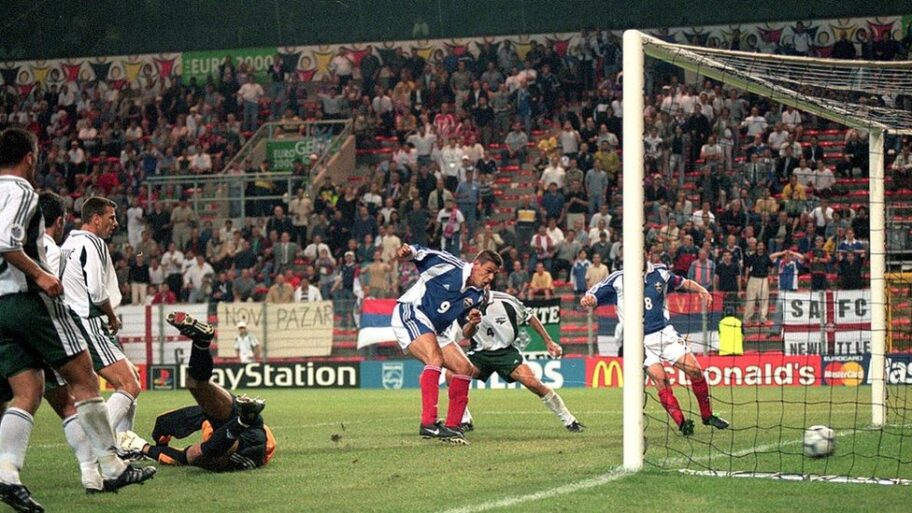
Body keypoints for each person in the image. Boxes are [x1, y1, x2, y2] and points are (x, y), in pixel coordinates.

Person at [0, 128, 154, 510]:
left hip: (0, 308)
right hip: (29, 302)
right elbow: (6, 241)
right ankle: (112, 464)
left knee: (27, 393)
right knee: (85, 380)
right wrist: (39, 274)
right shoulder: (20, 191)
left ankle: (7, 471)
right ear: (30, 156)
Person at [580, 251, 730, 436]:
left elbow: (683, 282)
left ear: (647, 254)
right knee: (661, 379)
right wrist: (588, 299)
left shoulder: (660, 273)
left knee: (695, 370)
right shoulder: (618, 278)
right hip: (639, 342)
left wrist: (701, 289)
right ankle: (682, 423)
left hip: (664, 334)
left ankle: (707, 416)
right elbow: (594, 294)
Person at [119, 312, 275, 471]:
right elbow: (175, 440)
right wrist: (149, 446)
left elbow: (180, 454)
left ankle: (243, 421)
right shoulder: (210, 428)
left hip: (248, 442)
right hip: (252, 433)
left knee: (198, 454)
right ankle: (201, 343)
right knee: (195, 383)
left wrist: (147, 446)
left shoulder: (212, 447)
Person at [393, 245, 502, 445]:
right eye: (488, 271)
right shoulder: (449, 266)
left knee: (465, 368)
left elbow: (467, 332)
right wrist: (407, 252)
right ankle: (428, 423)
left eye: (494, 274)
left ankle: (452, 426)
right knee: (435, 358)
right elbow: (419, 254)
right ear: (476, 264)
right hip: (412, 312)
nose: (490, 278)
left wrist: (472, 322)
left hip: (437, 329)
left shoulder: (480, 295)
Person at [60, 197, 143, 440]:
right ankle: (100, 443)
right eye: (111, 217)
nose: (115, 223)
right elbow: (96, 293)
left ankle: (123, 445)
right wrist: (112, 316)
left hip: (74, 321)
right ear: (96, 219)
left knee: (132, 379)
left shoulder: (69, 243)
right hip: (89, 321)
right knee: (129, 385)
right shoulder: (93, 243)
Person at [444, 291, 584, 432]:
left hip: (506, 353)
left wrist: (548, 342)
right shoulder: (462, 305)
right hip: (479, 354)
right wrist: (472, 323)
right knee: (451, 374)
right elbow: (466, 334)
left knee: (533, 383)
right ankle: (464, 419)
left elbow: (530, 317)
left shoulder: (506, 301)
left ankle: (569, 419)